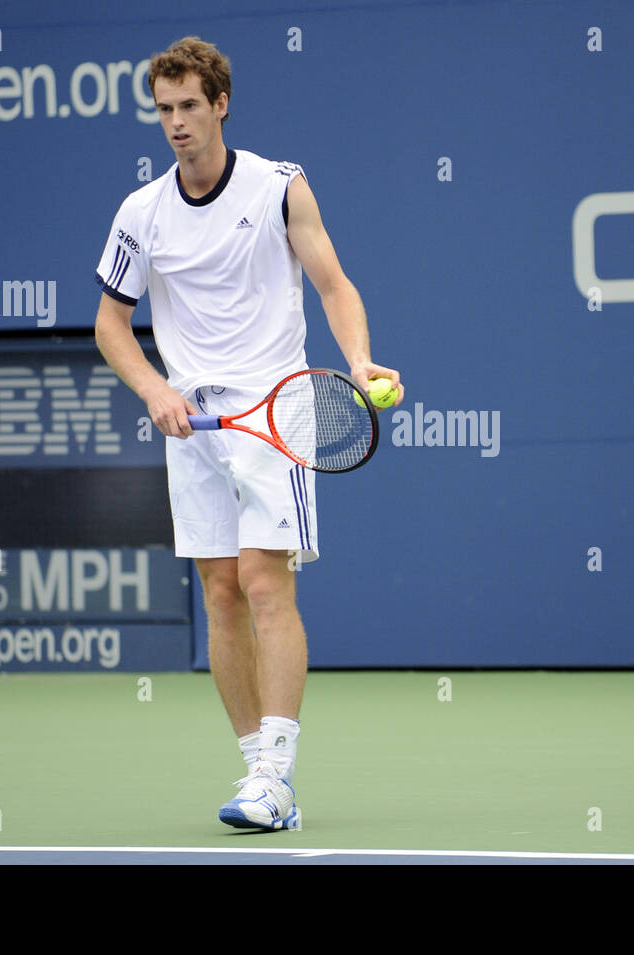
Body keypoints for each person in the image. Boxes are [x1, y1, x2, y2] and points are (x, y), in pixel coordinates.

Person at [93, 36, 403, 829]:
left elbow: (334, 285)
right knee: (220, 593)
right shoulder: (141, 212)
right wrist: (155, 387)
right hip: (191, 421)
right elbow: (111, 324)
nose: (176, 123)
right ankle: (257, 774)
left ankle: (278, 770)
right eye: (163, 110)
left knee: (266, 581)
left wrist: (361, 360)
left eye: (189, 106)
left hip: (278, 406)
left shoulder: (279, 187)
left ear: (220, 102)